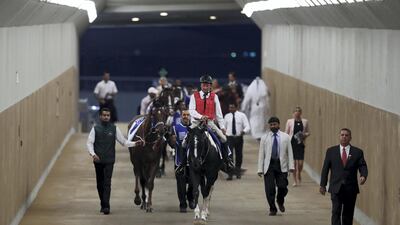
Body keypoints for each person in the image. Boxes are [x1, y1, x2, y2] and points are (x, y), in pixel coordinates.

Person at [86, 108, 143, 214]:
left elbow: (123, 142)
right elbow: (89, 143)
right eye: (104, 115)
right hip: (98, 160)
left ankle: (106, 206)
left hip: (109, 160)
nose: (106, 117)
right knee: (100, 183)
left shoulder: (114, 129)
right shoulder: (95, 129)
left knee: (107, 183)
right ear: (100, 116)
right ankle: (102, 203)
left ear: (110, 117)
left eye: (108, 115)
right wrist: (93, 154)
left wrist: (135, 143)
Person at [176, 75, 234, 174]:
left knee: (223, 139)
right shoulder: (195, 96)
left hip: (210, 123)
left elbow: (219, 114)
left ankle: (227, 160)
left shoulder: (214, 96)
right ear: (201, 85)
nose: (205, 87)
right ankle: (182, 163)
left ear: (210, 86)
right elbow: (191, 110)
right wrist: (200, 116)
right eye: (203, 85)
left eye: (207, 85)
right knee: (184, 142)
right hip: (196, 123)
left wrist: (223, 127)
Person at [320, 128, 368, 225]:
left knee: (348, 214)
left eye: (346, 135)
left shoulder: (357, 152)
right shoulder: (331, 151)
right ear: (339, 137)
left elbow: (362, 165)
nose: (344, 137)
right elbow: (325, 169)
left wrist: (363, 175)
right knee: (336, 211)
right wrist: (322, 185)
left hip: (350, 188)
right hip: (336, 187)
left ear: (350, 137)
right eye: (342, 135)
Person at [257, 116, 294, 216]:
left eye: (275, 124)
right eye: (271, 125)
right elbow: (261, 154)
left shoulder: (285, 137)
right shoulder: (264, 138)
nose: (273, 126)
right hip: (269, 166)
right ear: (269, 126)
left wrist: (291, 167)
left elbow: (290, 152)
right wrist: (260, 169)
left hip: (281, 166)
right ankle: (272, 208)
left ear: (279, 125)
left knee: (282, 186)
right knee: (270, 188)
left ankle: (280, 200)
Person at [171, 109, 195, 212]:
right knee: (180, 185)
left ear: (190, 117)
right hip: (179, 161)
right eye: (184, 115)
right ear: (181, 116)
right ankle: (183, 204)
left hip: (193, 161)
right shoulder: (175, 128)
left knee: (193, 183)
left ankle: (190, 198)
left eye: (187, 115)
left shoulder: (194, 128)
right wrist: (172, 141)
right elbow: (172, 142)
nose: (185, 117)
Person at [223, 103, 250, 180]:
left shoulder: (242, 115)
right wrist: (224, 132)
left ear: (236, 107)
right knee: (229, 155)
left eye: (232, 107)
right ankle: (230, 173)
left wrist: (243, 131)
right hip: (229, 138)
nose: (230, 109)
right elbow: (224, 126)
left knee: (239, 155)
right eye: (230, 107)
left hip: (238, 137)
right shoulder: (227, 116)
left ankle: (238, 172)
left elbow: (247, 126)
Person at [285, 106, 310, 186]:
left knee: (300, 163)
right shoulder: (289, 121)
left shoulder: (305, 121)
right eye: (295, 113)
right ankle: (295, 180)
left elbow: (308, 132)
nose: (297, 115)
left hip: (300, 143)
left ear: (300, 114)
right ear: (293, 114)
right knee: (294, 163)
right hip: (292, 143)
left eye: (298, 113)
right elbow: (286, 132)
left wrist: (304, 135)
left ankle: (299, 172)